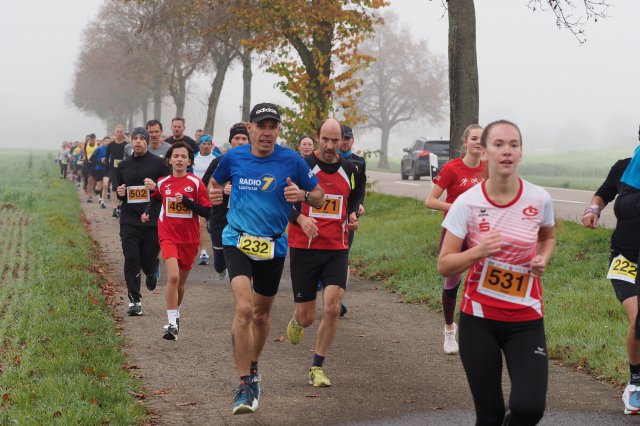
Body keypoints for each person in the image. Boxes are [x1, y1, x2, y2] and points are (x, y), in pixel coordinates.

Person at [208, 103, 324, 415]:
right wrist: (213, 193)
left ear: (278, 130)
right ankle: (244, 385)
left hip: (273, 246)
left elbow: (319, 196)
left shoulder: (292, 160)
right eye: (262, 126)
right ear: (250, 128)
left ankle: (254, 367)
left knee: (260, 315)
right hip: (237, 239)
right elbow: (213, 184)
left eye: (273, 126)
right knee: (244, 309)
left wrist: (302, 196)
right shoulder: (233, 157)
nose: (267, 132)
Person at [438, 120, 555, 425]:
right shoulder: (467, 203)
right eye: (498, 144)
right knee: (489, 415)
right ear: (485, 152)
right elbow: (444, 264)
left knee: (529, 408)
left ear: (521, 153)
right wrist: (478, 251)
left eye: (513, 145)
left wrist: (542, 258)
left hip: (526, 319)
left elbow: (548, 238)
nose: (507, 151)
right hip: (480, 320)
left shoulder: (539, 198)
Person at [286, 118, 363, 388]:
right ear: (317, 137)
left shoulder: (351, 169)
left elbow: (357, 194)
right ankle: (298, 320)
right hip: (304, 248)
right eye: (326, 140)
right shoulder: (302, 167)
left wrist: (352, 213)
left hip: (336, 248)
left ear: (343, 141)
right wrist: (299, 218)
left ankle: (317, 366)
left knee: (332, 307)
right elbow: (282, 201)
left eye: (335, 140)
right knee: (307, 316)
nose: (330, 146)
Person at [424, 124, 485, 355]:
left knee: (482, 281)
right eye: (474, 138)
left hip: (481, 232)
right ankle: (449, 329)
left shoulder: (489, 168)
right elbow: (430, 201)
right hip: (455, 232)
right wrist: (457, 208)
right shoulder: (452, 168)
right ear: (465, 142)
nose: (478, 142)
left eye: (482, 139)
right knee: (451, 281)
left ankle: (480, 331)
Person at [142, 142, 212, 340]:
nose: (179, 159)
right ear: (170, 160)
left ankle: (176, 313)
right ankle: (171, 324)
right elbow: (157, 198)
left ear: (189, 161)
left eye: (183, 156)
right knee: (172, 277)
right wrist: (148, 212)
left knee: (180, 284)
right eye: (176, 156)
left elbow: (207, 211)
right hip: (168, 235)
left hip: (189, 238)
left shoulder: (196, 183)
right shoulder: (163, 182)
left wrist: (186, 202)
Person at [116, 127, 170, 316]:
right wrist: (120, 193)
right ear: (131, 141)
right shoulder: (123, 166)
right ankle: (134, 300)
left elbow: (168, 189)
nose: (138, 141)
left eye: (142, 138)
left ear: (147, 141)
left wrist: (156, 187)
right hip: (129, 219)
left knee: (147, 259)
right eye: (135, 138)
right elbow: (120, 192)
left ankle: (151, 269)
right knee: (131, 259)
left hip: (151, 220)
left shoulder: (159, 164)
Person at [202, 123, 250, 280]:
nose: (240, 142)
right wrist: (221, 189)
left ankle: (239, 277)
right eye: (237, 138)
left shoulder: (254, 164)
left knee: (241, 256)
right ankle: (221, 268)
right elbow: (205, 188)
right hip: (220, 216)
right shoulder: (218, 162)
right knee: (220, 262)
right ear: (231, 141)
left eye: (244, 138)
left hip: (245, 217)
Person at [336, 125, 367, 317]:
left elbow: (360, 188)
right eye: (342, 138)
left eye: (348, 138)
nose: (345, 142)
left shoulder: (359, 162)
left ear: (352, 141)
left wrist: (358, 206)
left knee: (343, 254)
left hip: (349, 215)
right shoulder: (329, 158)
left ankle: (337, 298)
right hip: (329, 215)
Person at [192, 134, 218, 265]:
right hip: (198, 194)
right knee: (200, 224)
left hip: (213, 194)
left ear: (211, 145)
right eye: (204, 143)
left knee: (213, 225)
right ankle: (203, 252)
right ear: (199, 145)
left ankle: (217, 249)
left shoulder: (217, 157)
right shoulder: (194, 157)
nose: (206, 146)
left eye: (208, 144)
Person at [106, 125, 129, 218]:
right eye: (117, 131)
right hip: (113, 169)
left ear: (123, 133)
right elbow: (107, 156)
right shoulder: (111, 145)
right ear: (115, 133)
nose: (119, 133)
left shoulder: (126, 145)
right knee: (114, 187)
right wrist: (107, 167)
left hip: (124, 169)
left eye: (121, 132)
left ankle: (119, 206)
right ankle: (114, 208)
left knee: (121, 188)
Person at [83, 134, 99, 202]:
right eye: (91, 139)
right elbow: (84, 152)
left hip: (96, 164)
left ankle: (94, 190)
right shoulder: (86, 144)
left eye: (93, 139)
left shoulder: (98, 144)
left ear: (95, 139)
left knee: (95, 181)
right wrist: (84, 157)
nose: (92, 140)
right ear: (89, 139)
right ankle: (90, 196)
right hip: (88, 164)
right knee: (90, 180)